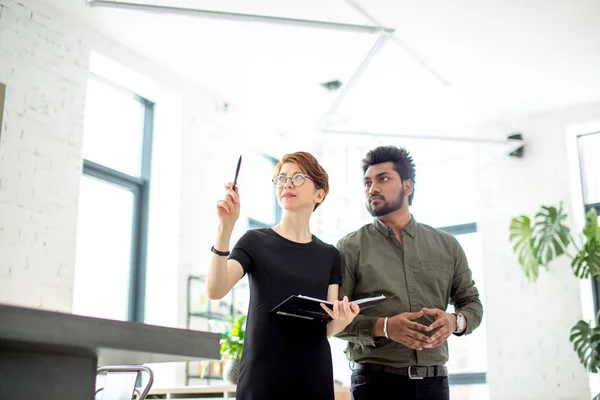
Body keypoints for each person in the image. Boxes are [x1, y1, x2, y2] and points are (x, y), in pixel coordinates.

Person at [207, 151, 359, 400]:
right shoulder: (255, 241)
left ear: (319, 193)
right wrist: (225, 227)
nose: (287, 183)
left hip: (313, 374)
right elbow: (216, 289)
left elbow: (326, 327)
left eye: (298, 177)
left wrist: (343, 319)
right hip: (263, 376)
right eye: (281, 178)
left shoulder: (330, 254)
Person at [336, 146, 483, 400]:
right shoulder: (350, 247)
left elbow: (472, 304)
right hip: (375, 384)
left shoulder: (447, 246)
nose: (372, 189)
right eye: (367, 182)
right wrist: (384, 327)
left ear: (407, 186)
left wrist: (454, 322)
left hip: (434, 384)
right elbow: (334, 320)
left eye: (383, 179)